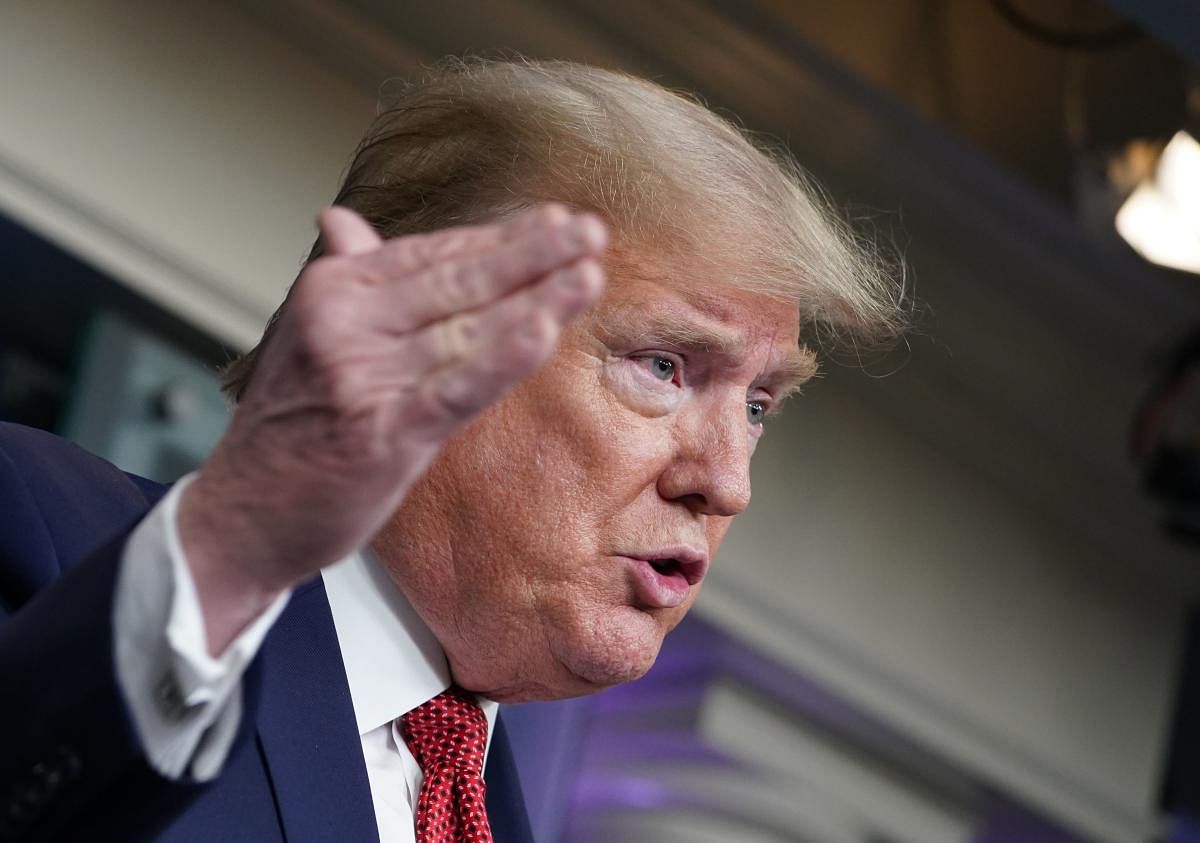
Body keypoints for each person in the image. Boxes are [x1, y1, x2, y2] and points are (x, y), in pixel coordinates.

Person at [0, 59, 903, 841]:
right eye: (664, 365)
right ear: (428, 335)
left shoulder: (495, 814)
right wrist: (235, 546)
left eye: (757, 403)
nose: (726, 481)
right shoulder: (39, 523)